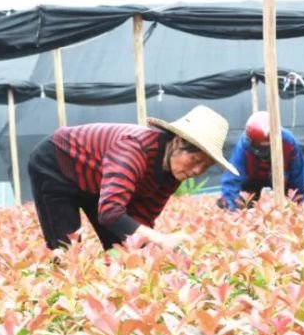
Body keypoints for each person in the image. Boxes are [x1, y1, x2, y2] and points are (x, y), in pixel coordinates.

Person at [28, 105, 239, 251]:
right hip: (56, 166)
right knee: (67, 250)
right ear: (177, 142)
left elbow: (142, 218)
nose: (196, 170)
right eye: (195, 160)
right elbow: (110, 212)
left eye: (205, 166)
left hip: (97, 182)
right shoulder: (134, 148)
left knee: (125, 247)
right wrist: (161, 240)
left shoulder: (172, 174)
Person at [218, 111, 304, 210]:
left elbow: (297, 177)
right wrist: (230, 206)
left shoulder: (289, 143)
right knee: (242, 200)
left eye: (266, 150)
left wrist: (300, 203)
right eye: (259, 150)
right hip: (252, 179)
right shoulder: (244, 145)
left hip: (281, 176)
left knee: (293, 198)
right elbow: (233, 177)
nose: (262, 155)